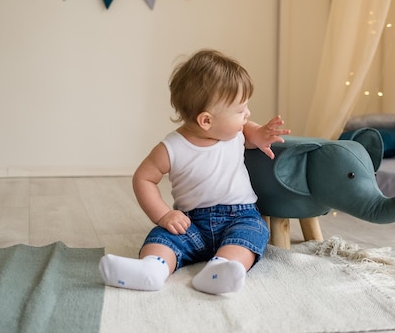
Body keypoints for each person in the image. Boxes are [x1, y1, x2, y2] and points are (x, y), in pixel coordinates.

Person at [98, 49, 290, 295]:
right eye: (241, 109)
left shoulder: (235, 132)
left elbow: (250, 131)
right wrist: (164, 215)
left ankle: (222, 269)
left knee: (251, 235)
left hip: (240, 216)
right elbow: (144, 178)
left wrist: (262, 134)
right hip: (190, 222)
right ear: (206, 121)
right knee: (163, 237)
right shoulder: (172, 147)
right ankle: (152, 269)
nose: (248, 114)